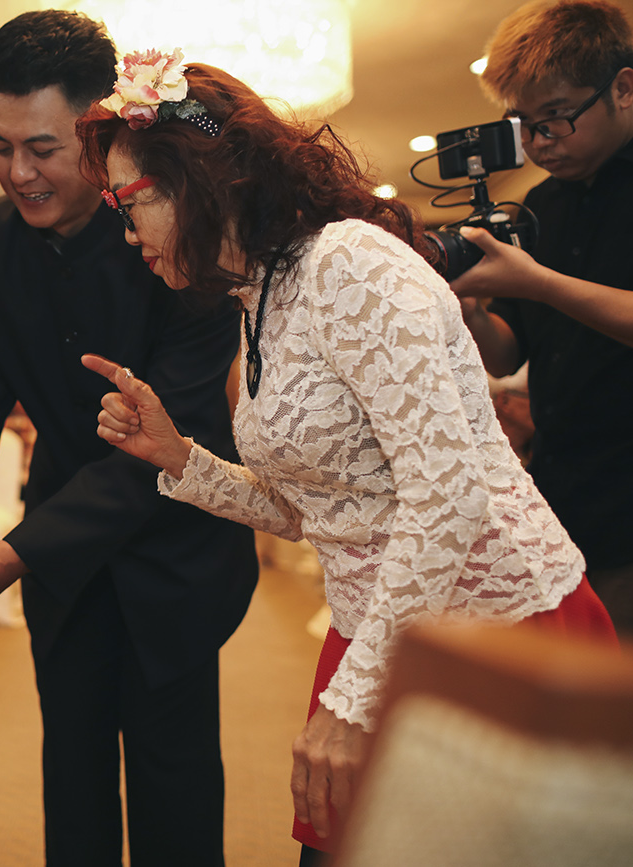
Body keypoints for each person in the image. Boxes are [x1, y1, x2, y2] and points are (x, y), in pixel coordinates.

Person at [78, 54, 619, 864]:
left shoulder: (349, 264)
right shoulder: (258, 297)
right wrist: (181, 456)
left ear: (197, 179)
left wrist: (353, 700)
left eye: (129, 204)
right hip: (384, 626)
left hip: (496, 631)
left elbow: (450, 493)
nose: (128, 235)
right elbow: (325, 514)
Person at [0, 13, 258, 866]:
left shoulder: (179, 227)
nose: (17, 172)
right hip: (64, 566)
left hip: (175, 545)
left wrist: (17, 551)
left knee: (175, 785)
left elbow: (173, 437)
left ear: (98, 126)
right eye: (0, 146)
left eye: (42, 147)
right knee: (70, 778)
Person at [450, 0, 633, 638]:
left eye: (555, 118)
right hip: (561, 496)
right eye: (524, 123)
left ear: (624, 88)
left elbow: (547, 295)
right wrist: (470, 312)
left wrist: (540, 284)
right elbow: (508, 355)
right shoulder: (538, 206)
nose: (537, 143)